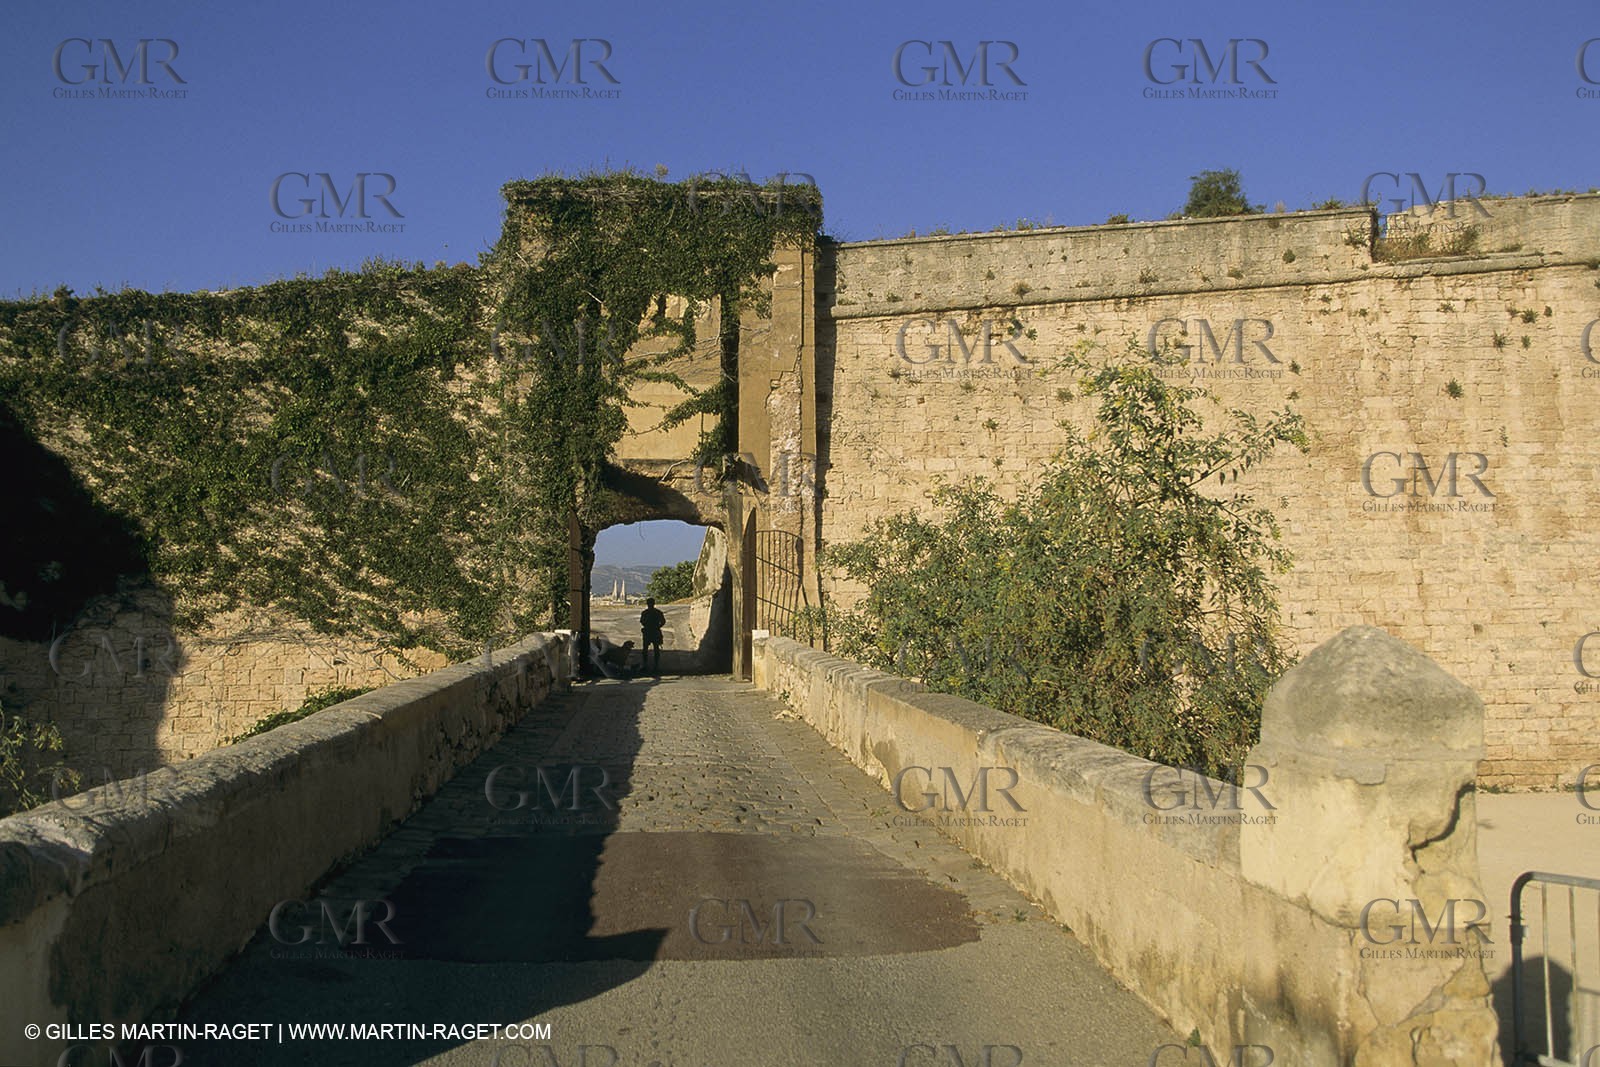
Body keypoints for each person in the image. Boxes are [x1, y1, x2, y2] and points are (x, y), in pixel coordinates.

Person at [640, 597, 666, 675]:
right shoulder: (658, 612)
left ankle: (646, 665)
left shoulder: (645, 613)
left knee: (645, 649)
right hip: (655, 631)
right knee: (656, 649)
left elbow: (642, 621)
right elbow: (663, 621)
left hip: (648, 632)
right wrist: (658, 626)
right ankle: (656, 666)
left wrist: (647, 626)